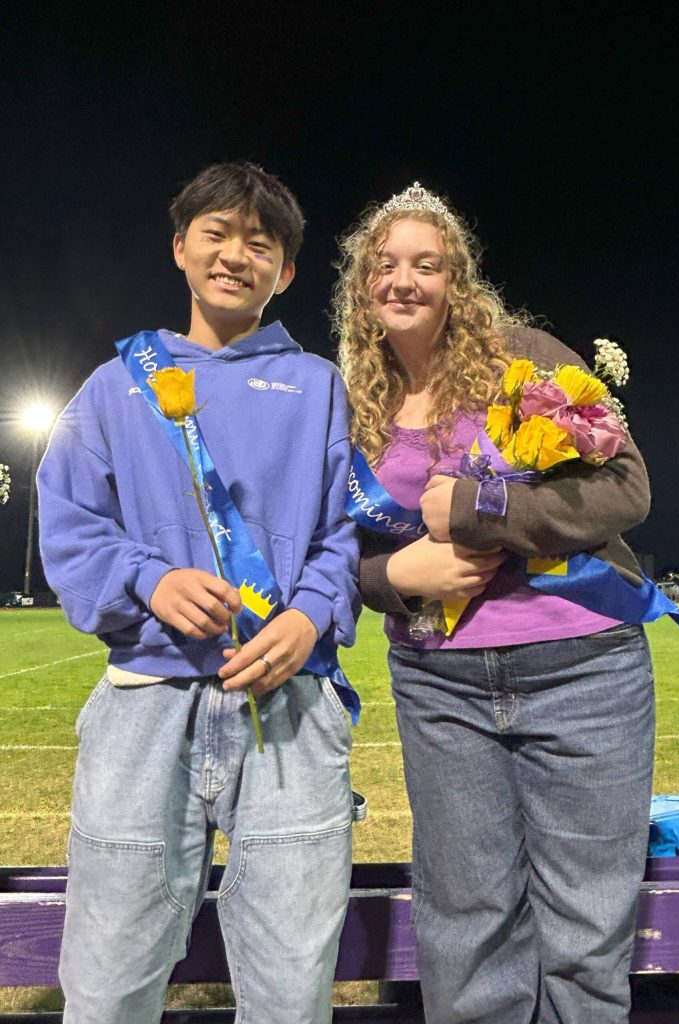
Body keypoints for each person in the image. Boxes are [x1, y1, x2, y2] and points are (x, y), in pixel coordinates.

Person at [38, 162, 360, 1024]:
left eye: (261, 244)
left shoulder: (320, 386)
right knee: (107, 984)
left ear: (285, 271)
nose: (235, 256)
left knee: (293, 989)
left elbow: (342, 536)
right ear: (180, 246)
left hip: (288, 704)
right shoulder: (114, 387)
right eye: (215, 234)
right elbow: (68, 523)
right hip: (145, 705)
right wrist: (149, 577)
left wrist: (310, 615)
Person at [333, 182, 654, 1024]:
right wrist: (394, 579)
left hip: (584, 669)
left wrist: (484, 512)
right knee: (467, 931)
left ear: (457, 280)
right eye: (385, 265)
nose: (404, 281)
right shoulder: (349, 404)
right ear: (360, 286)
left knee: (586, 934)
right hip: (441, 689)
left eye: (426, 265)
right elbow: (337, 557)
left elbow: (626, 489)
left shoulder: (528, 355)